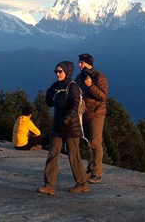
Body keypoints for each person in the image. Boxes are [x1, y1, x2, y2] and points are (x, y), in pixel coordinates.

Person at [37, 61, 89, 195]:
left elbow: (74, 106)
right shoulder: (56, 86)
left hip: (71, 128)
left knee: (74, 156)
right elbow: (49, 103)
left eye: (60, 71)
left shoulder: (73, 87)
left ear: (68, 72)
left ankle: (82, 183)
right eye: (56, 71)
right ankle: (49, 185)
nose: (57, 74)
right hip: (57, 127)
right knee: (52, 154)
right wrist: (49, 93)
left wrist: (65, 121)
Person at [75, 53, 108, 184]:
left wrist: (91, 86)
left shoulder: (99, 77)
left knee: (95, 142)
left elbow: (104, 96)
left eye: (81, 63)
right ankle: (90, 167)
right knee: (88, 142)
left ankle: (97, 173)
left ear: (88, 63)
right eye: (79, 62)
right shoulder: (79, 77)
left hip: (97, 113)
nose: (79, 65)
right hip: (84, 113)